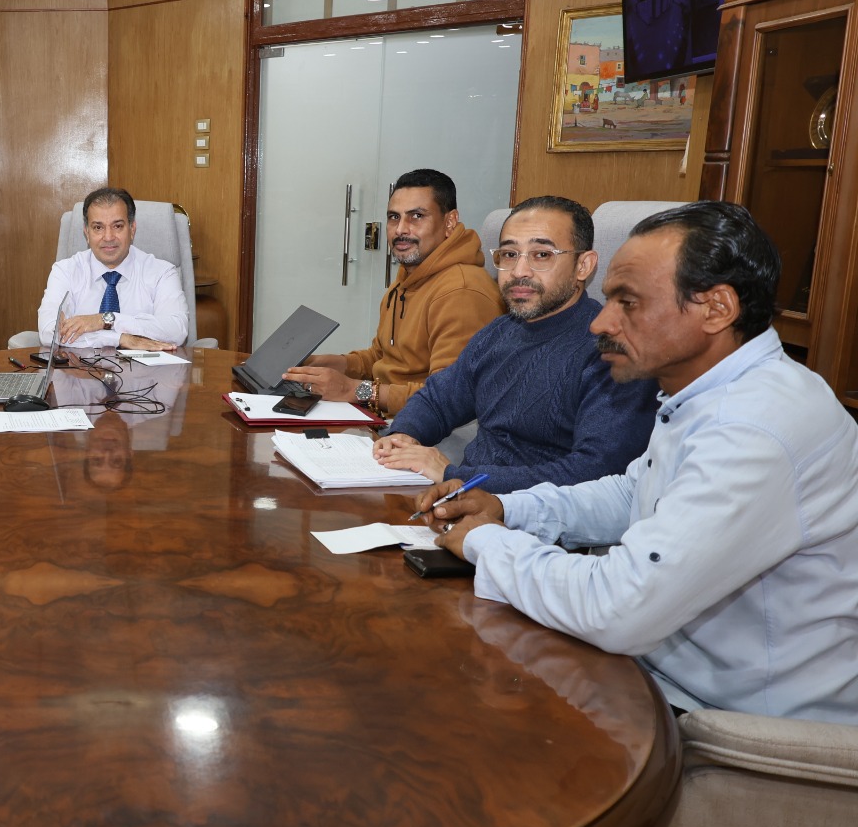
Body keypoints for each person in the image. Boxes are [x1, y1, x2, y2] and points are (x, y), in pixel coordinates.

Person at [422, 201, 858, 722]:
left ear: (716, 309)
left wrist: (487, 541)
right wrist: (508, 508)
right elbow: (634, 490)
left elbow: (617, 607)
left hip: (734, 723)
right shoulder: (709, 391)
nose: (600, 323)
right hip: (658, 671)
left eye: (628, 302)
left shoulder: (755, 428)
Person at [372, 195, 656, 492]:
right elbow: (438, 400)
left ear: (583, 266)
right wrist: (404, 435)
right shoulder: (499, 332)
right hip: (463, 500)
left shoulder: (613, 352)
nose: (519, 271)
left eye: (541, 255)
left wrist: (455, 475)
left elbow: (596, 473)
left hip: (535, 515)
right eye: (509, 254)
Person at [282, 169, 503, 416]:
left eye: (417, 216)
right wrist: (332, 364)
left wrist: (353, 390)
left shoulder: (461, 292)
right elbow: (382, 357)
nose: (400, 230)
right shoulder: (406, 279)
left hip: (420, 429)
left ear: (449, 222)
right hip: (380, 415)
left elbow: (449, 398)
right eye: (393, 217)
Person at [35, 187, 187, 351]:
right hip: (79, 367)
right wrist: (119, 338)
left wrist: (107, 320)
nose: (108, 237)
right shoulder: (65, 271)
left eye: (117, 226)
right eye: (98, 227)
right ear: (87, 233)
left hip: (146, 368)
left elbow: (177, 331)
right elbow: (49, 332)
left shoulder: (161, 272)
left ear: (132, 229)